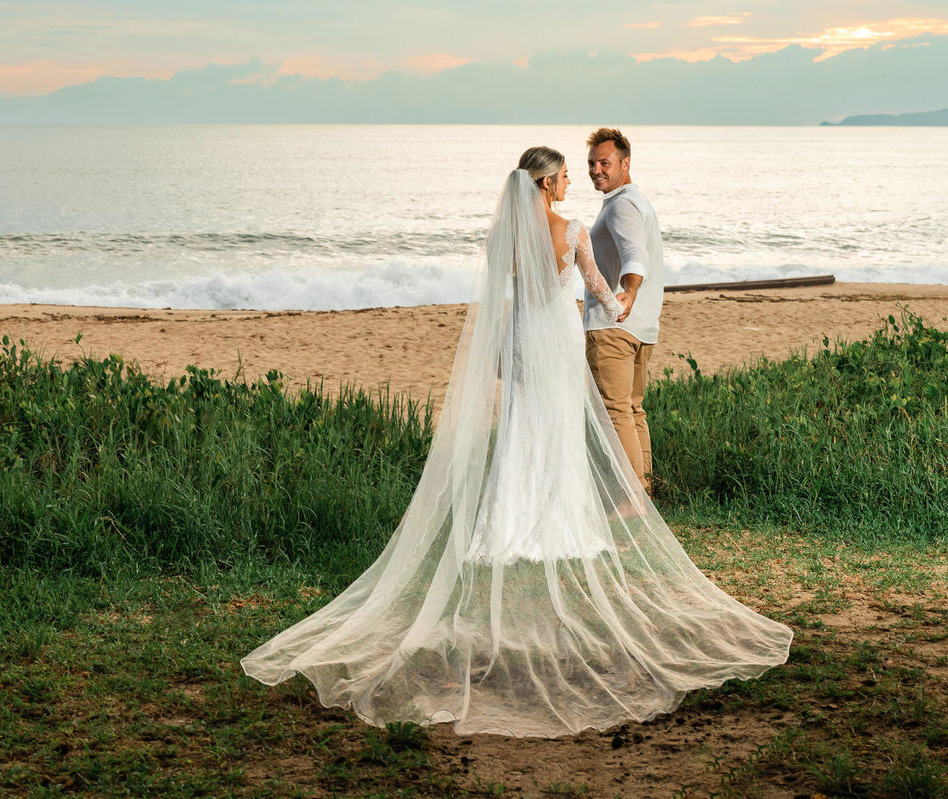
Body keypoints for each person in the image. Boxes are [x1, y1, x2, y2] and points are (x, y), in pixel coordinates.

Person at [241, 147, 791, 738]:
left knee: (524, 423)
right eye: (564, 176)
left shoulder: (504, 237)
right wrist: (623, 303)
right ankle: (561, 519)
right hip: (556, 334)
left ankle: (509, 521)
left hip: (526, 335)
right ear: (550, 183)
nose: (573, 181)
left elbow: (504, 295)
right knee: (559, 425)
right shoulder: (572, 229)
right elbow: (600, 290)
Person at [584, 128, 662, 495]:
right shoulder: (635, 201)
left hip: (614, 325)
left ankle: (632, 498)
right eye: (592, 163)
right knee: (632, 410)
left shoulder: (621, 206)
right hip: (641, 326)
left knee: (616, 413)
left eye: (605, 162)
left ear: (625, 163)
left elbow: (635, 255)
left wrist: (627, 292)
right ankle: (644, 491)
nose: (596, 169)